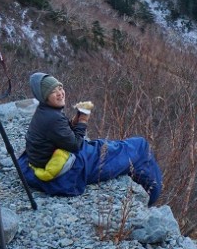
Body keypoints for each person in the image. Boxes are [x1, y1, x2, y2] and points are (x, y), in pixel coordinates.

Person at [18, 72, 162, 206]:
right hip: (70, 168)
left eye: (60, 88)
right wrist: (84, 120)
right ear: (44, 97)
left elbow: (60, 133)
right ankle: (152, 197)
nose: (60, 93)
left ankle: (143, 192)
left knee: (117, 148)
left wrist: (75, 121)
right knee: (141, 146)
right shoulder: (53, 118)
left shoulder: (44, 112)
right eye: (53, 91)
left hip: (54, 160)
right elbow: (76, 145)